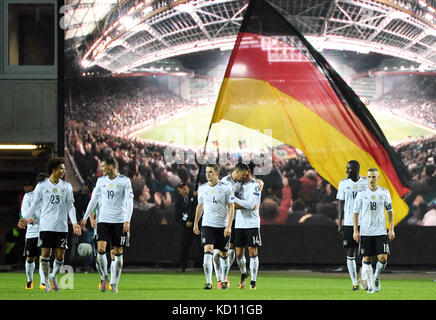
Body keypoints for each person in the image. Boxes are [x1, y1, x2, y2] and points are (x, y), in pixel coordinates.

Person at [18, 158, 82, 292]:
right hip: (46, 227)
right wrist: (24, 218)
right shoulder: (42, 186)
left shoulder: (66, 186)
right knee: (45, 254)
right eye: (61, 168)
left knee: (60, 256)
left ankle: (53, 276)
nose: (64, 171)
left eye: (64, 169)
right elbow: (34, 204)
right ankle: (46, 282)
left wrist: (75, 223)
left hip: (62, 227)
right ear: (53, 169)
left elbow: (70, 206)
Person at [81, 157, 134, 293]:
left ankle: (114, 283)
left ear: (111, 166)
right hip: (103, 220)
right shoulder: (101, 181)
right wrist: (86, 217)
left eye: (103, 166)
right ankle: (104, 275)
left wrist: (127, 220)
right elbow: (94, 200)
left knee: (117, 255)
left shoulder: (124, 181)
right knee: (101, 250)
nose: (101, 169)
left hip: (120, 221)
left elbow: (129, 201)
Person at [353, 168, 395, 294]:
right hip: (366, 231)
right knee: (367, 259)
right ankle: (370, 283)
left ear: (378, 178)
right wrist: (356, 230)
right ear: (367, 178)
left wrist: (391, 229)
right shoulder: (361, 194)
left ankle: (376, 277)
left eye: (374, 177)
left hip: (381, 231)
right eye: (369, 177)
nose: (371, 179)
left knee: (383, 258)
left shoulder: (384, 193)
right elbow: (355, 213)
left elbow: (390, 212)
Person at [193, 163, 235, 290]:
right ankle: (208, 282)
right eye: (206, 172)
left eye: (210, 172)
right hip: (207, 225)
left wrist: (228, 226)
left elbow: (231, 207)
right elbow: (200, 206)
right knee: (208, 250)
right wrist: (196, 222)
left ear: (217, 173)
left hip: (222, 226)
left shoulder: (226, 188)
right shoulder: (202, 188)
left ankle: (223, 279)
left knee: (223, 254)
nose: (207, 174)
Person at [213, 163, 249, 289]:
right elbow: (229, 203)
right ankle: (220, 279)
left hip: (235, 221)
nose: (244, 177)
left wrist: (260, 182)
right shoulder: (225, 182)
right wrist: (248, 205)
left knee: (232, 250)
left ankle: (224, 278)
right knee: (218, 252)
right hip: (223, 221)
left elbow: (253, 182)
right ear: (237, 172)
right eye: (243, 175)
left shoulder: (240, 182)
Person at [336, 160, 368, 291]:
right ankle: (354, 282)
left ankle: (363, 277)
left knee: (367, 252)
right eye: (347, 168)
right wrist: (340, 222)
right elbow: (340, 204)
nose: (347, 170)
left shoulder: (366, 182)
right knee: (350, 251)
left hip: (364, 222)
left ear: (357, 169)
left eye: (350, 168)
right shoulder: (343, 183)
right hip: (349, 222)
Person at [233, 163, 262, 290]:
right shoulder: (237, 185)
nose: (243, 175)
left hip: (252, 223)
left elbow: (251, 205)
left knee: (252, 251)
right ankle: (244, 273)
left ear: (249, 172)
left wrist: (233, 199)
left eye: (245, 173)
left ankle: (253, 282)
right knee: (238, 253)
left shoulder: (256, 186)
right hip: (239, 223)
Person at [21, 172, 49, 290]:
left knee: (44, 256)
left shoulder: (50, 195)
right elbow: (24, 210)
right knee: (30, 258)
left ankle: (43, 282)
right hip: (32, 231)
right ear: (40, 182)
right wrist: (28, 218)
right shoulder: (29, 196)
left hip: (45, 230)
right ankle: (29, 280)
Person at [174, 182, 198, 272]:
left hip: (197, 225)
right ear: (179, 190)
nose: (184, 189)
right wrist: (185, 223)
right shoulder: (179, 200)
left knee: (202, 246)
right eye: (182, 188)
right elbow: (177, 215)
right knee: (185, 247)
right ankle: (182, 266)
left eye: (185, 187)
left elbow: (198, 208)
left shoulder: (195, 195)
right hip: (187, 228)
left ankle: (207, 266)